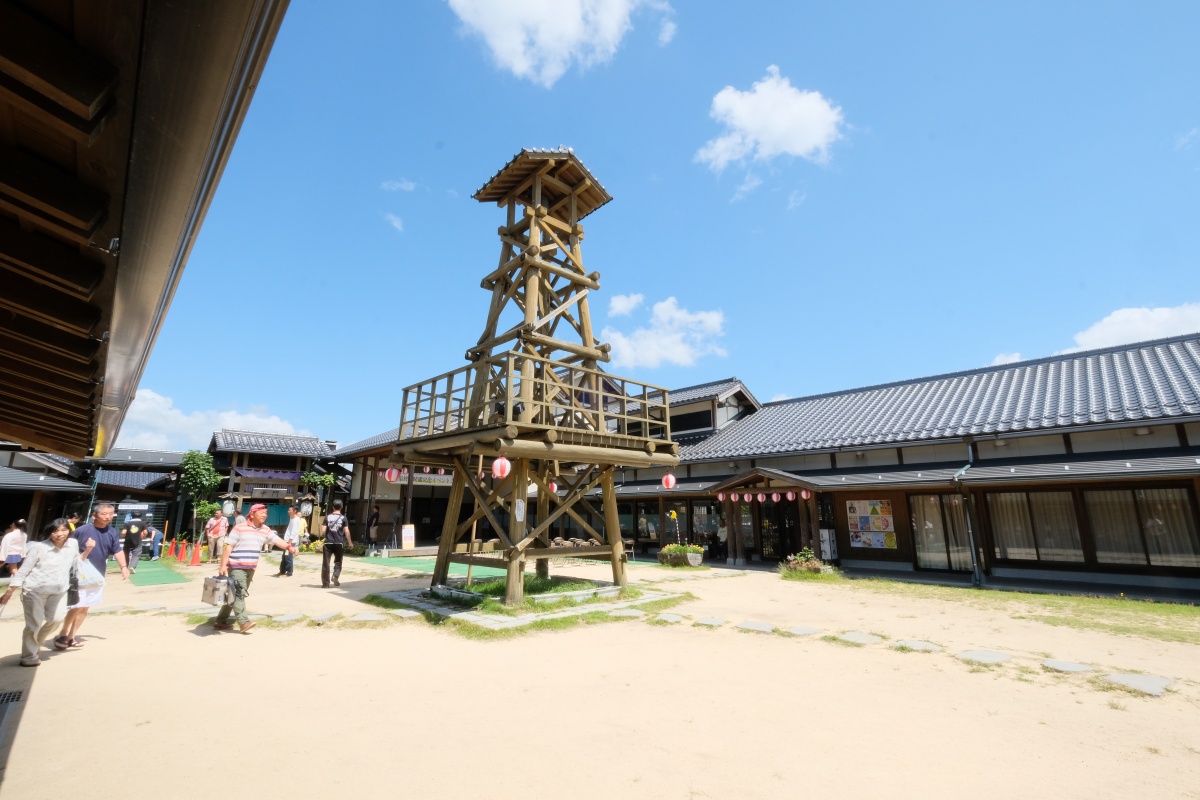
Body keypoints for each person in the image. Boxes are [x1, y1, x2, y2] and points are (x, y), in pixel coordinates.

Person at [1, 518, 94, 666]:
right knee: (34, 625)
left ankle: (35, 643)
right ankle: (29, 656)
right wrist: (10, 591)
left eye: (63, 530)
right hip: (35, 590)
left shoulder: (73, 544)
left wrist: (88, 550)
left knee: (56, 619)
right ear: (49, 532)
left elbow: (77, 562)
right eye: (55, 531)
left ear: (69, 531)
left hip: (59, 590)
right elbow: (24, 570)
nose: (59, 534)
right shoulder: (39, 547)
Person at [214, 504, 296, 634]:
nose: (264, 515)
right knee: (239, 593)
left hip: (251, 567)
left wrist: (289, 547)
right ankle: (243, 622)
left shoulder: (265, 530)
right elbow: (228, 547)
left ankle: (220, 621)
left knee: (233, 594)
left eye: (265, 513)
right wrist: (223, 565)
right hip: (236, 566)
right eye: (261, 512)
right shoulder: (239, 528)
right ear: (252, 514)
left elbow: (276, 540)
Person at [57, 503, 128, 649]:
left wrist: (124, 566)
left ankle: (72, 636)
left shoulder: (112, 532)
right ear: (94, 515)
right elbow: (68, 549)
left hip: (97, 575)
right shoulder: (82, 531)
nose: (108, 516)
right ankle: (62, 634)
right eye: (104, 514)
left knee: (85, 607)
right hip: (80, 574)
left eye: (111, 513)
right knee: (77, 605)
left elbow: (117, 550)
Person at [321, 499, 353, 588]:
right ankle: (335, 576)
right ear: (342, 507)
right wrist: (350, 542)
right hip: (339, 542)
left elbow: (323, 530)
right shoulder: (343, 518)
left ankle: (325, 584)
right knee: (338, 562)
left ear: (333, 507)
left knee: (326, 563)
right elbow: (346, 531)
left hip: (328, 543)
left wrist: (323, 533)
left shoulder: (327, 517)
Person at [277, 505, 303, 577]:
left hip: (291, 541)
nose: (288, 511)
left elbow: (294, 531)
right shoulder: (291, 518)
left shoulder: (296, 519)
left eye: (290, 510)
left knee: (289, 557)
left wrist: (290, 542)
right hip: (287, 539)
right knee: (284, 556)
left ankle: (289, 572)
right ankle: (282, 571)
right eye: (288, 510)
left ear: (294, 511)